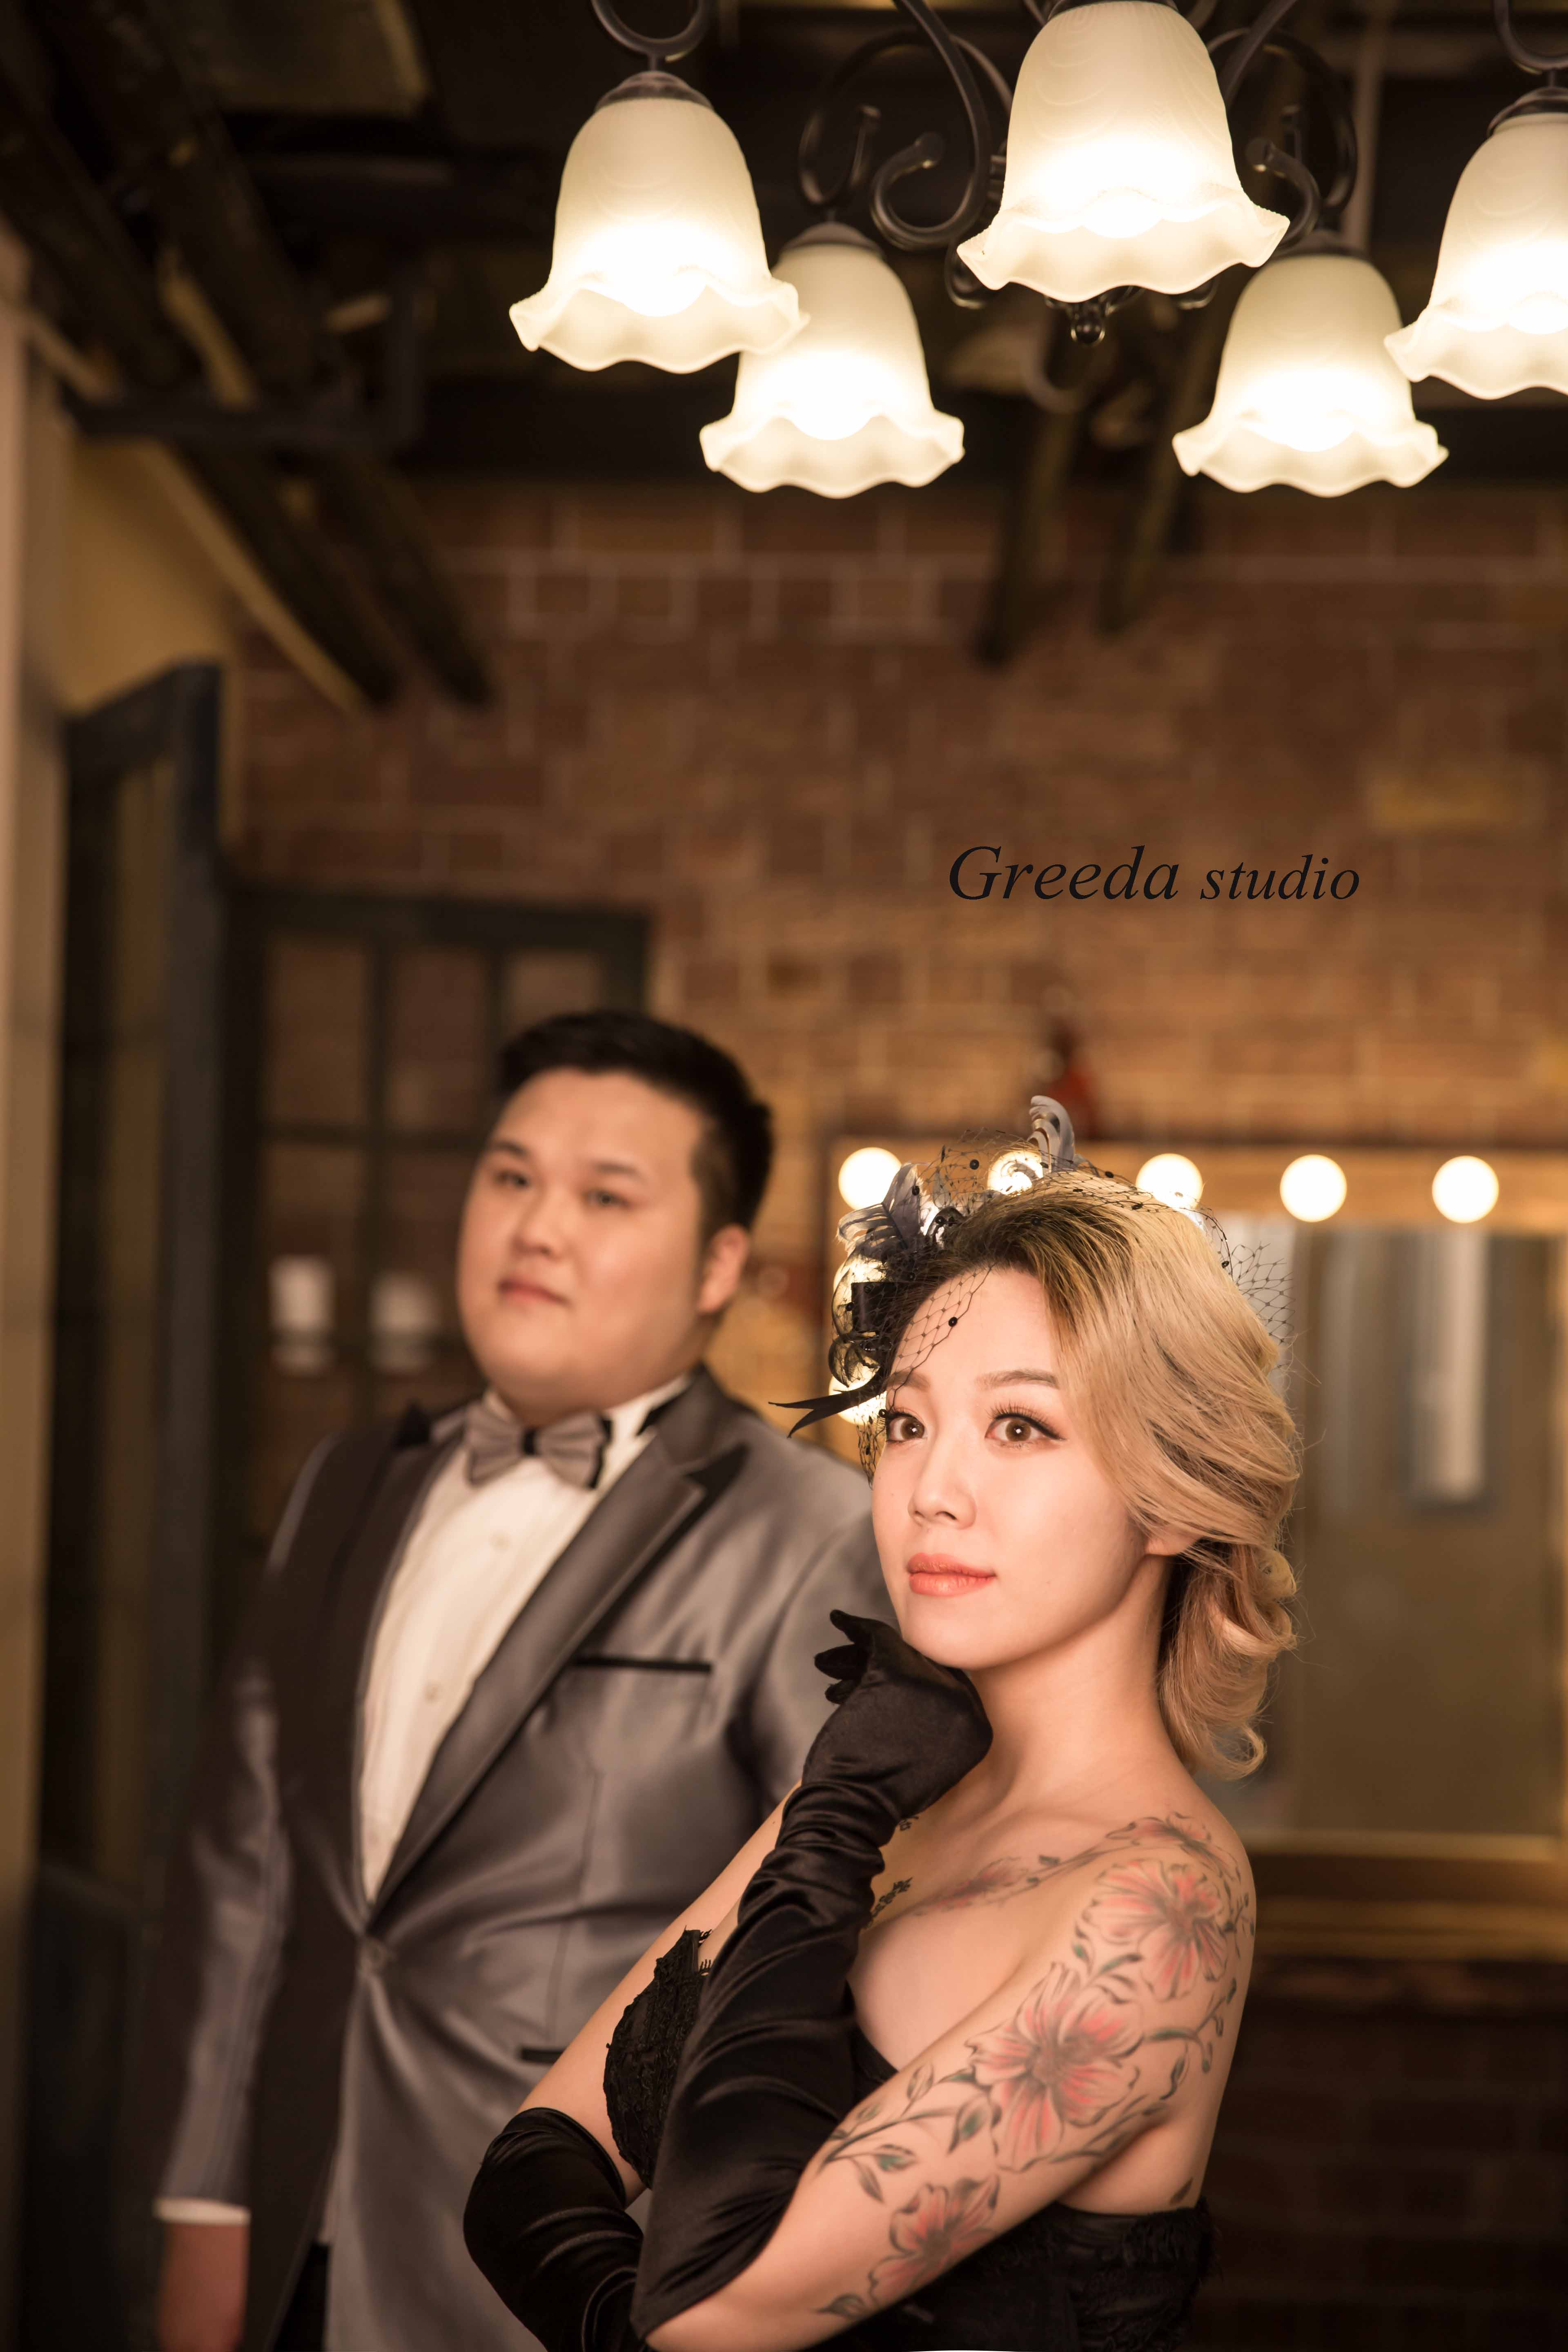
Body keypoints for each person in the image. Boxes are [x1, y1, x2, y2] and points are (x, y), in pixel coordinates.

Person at [464, 1102, 1299, 2352]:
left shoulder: (1157, 1908)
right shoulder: (887, 1802)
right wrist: (842, 1807)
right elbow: (524, 2173)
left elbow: (706, 2304)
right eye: (906, 1423)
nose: (931, 1492)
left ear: (1176, 1498)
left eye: (1021, 1427)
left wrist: (837, 1808)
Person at [137, 1010, 884, 2352]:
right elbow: (244, 1867)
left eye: (606, 1196)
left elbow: (823, 1951)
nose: (538, 1227)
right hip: (286, 2229)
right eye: (512, 1176)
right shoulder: (347, 1483)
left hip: (557, 2280)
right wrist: (204, 2200)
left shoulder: (810, 1534)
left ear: (719, 1264)